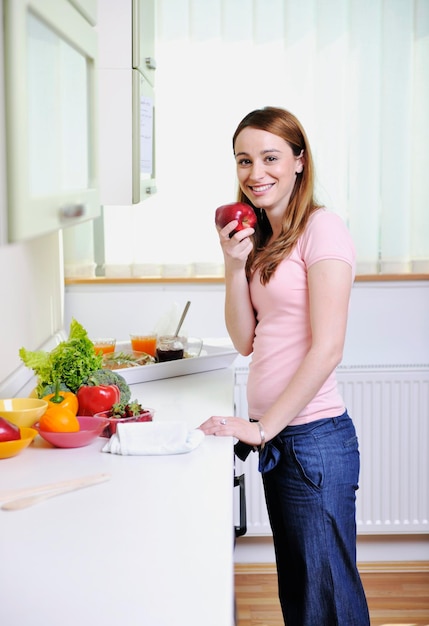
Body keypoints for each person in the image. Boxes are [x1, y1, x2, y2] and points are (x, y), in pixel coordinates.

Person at [199, 106, 370, 626]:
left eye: (270, 157)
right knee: (302, 597)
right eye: (244, 160)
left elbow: (328, 348)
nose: (256, 174)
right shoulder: (265, 243)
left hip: (313, 440)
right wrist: (232, 264)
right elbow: (244, 339)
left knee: (328, 600)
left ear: (299, 161)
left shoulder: (324, 230)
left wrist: (260, 427)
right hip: (284, 443)